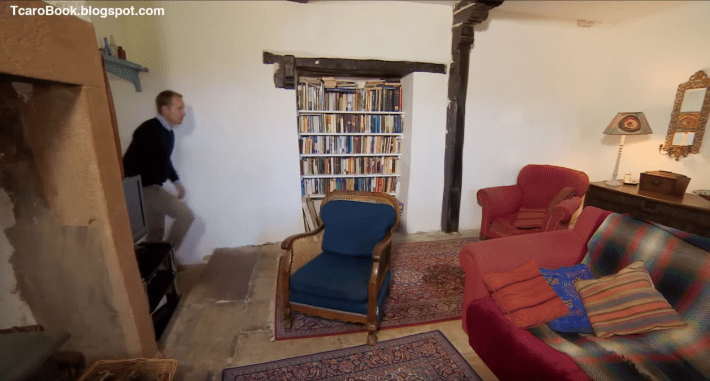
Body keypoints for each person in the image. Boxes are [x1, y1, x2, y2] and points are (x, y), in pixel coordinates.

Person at [123, 90, 194, 256]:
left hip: (152, 188)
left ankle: (157, 268)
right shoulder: (148, 130)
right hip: (146, 189)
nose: (183, 113)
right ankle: (166, 258)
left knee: (155, 233)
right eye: (179, 108)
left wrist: (176, 182)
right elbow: (127, 161)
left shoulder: (167, 132)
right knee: (186, 215)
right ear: (165, 109)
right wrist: (136, 193)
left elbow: (164, 160)